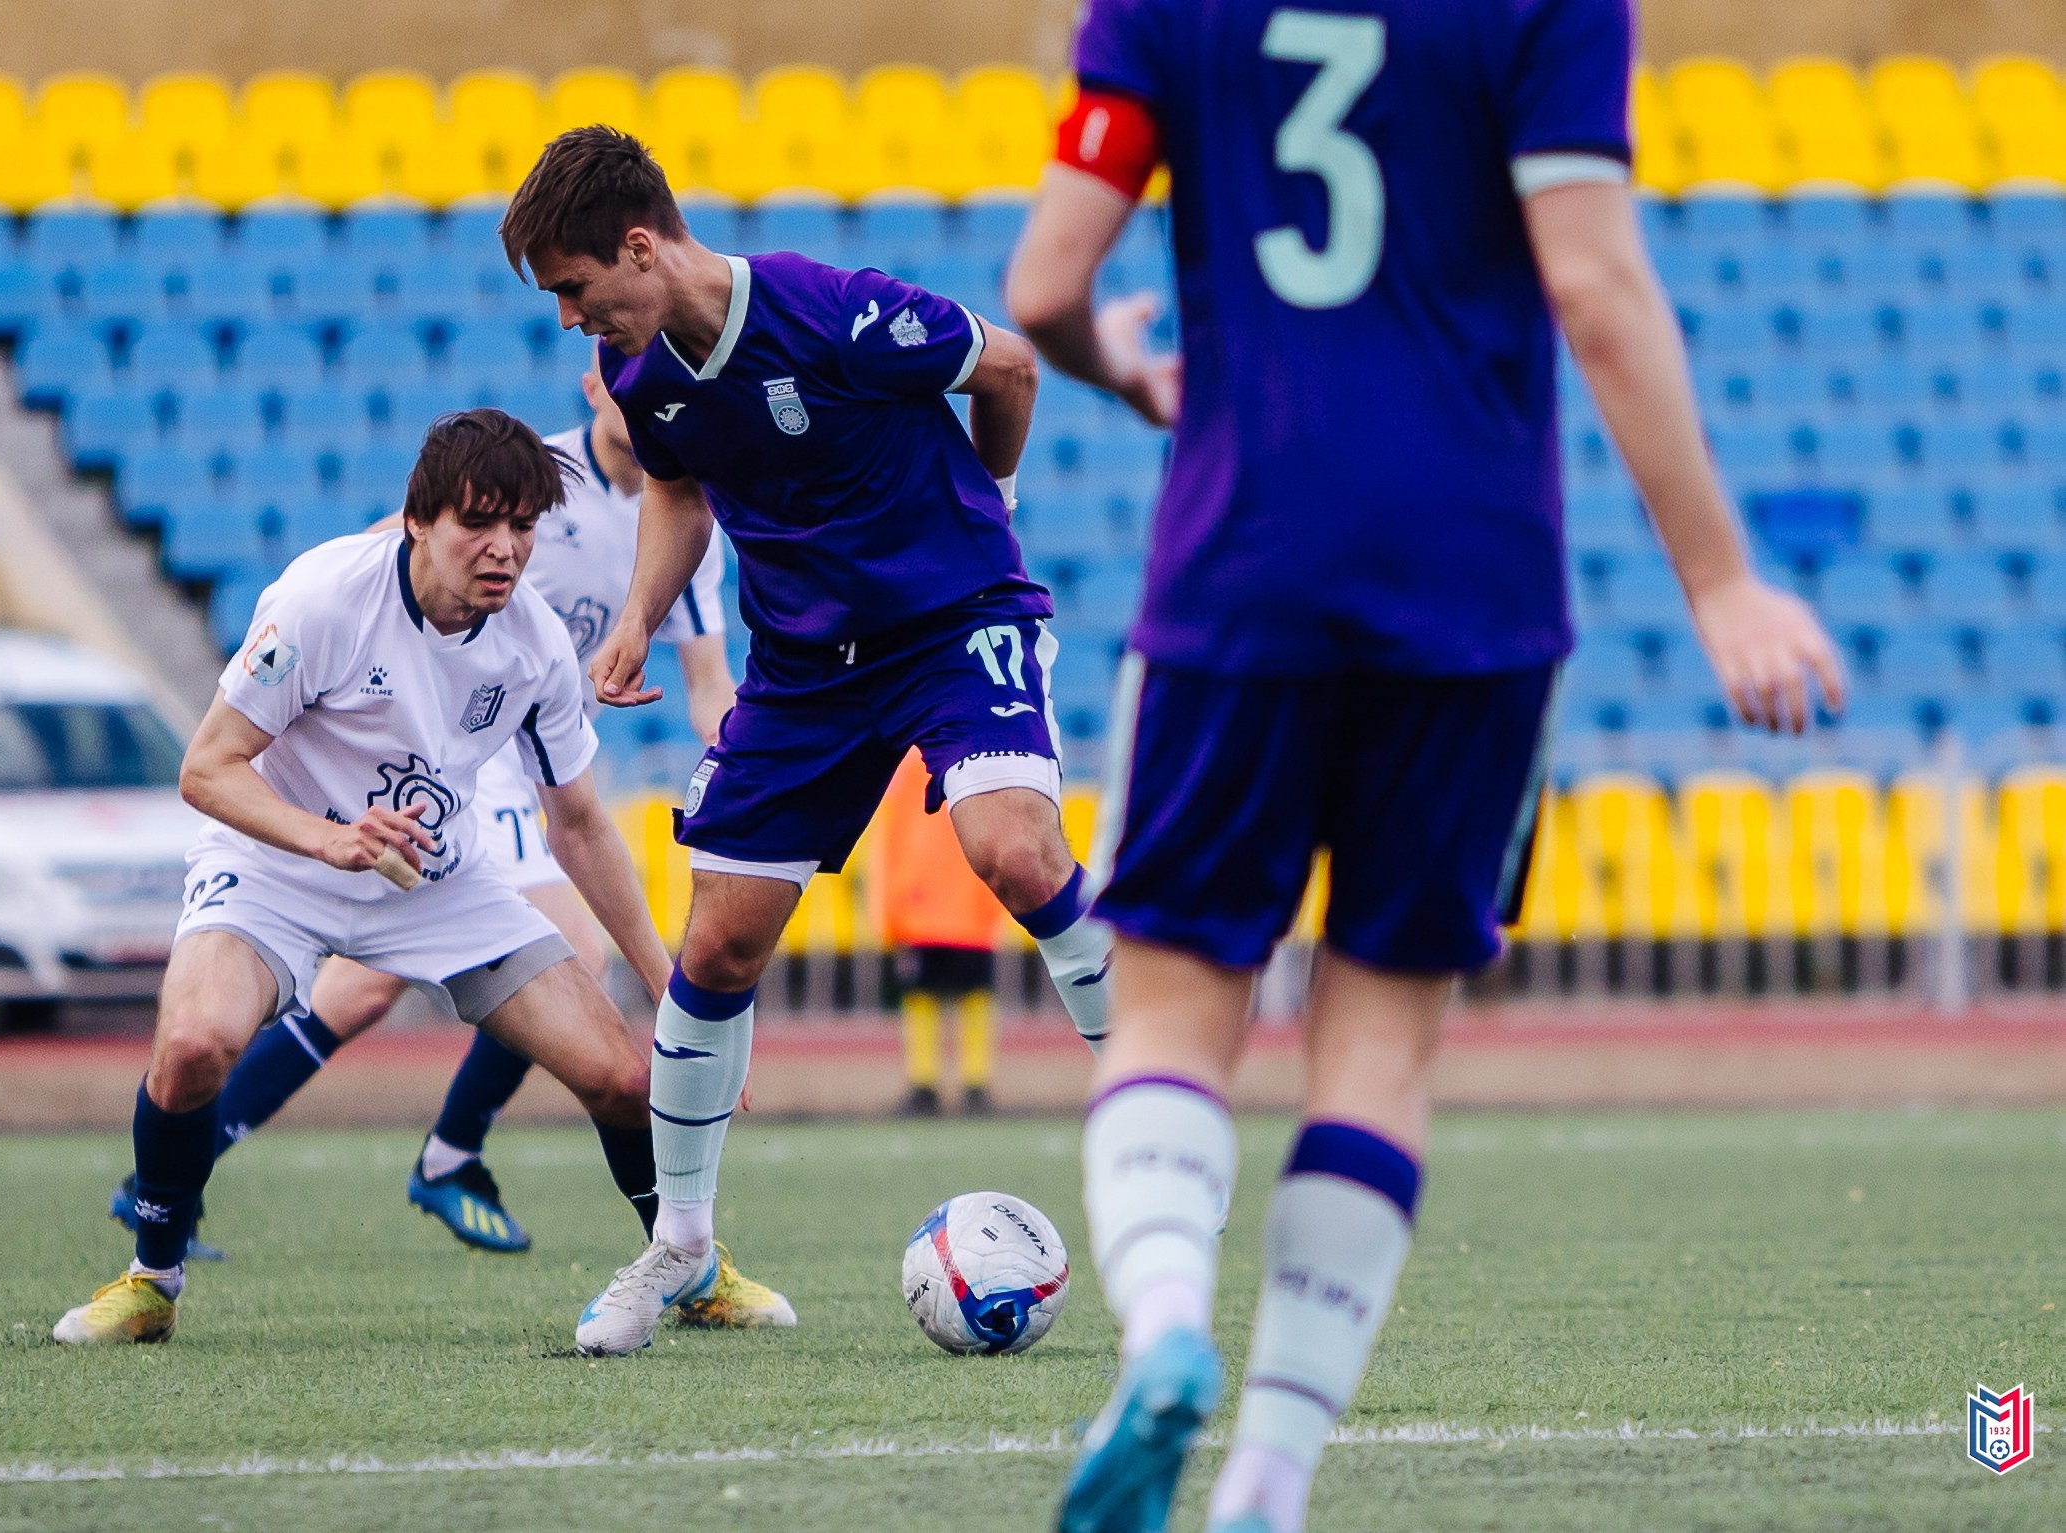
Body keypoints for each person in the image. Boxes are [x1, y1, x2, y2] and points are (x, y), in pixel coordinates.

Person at [1003, 2, 1847, 1529]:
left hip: (1239, 569)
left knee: (1177, 1008)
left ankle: (1165, 1329)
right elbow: (1591, 285)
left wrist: (1126, 376)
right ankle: (1266, 1476)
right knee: (1379, 1043)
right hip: (1474, 590)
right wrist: (1719, 579)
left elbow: (1046, 281)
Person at [498, 125, 1116, 1357]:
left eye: (575, 288)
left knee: (1013, 852)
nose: (571, 320)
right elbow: (678, 491)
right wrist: (634, 622)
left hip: (952, 626)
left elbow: (1008, 370)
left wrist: (982, 507)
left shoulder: (834, 313)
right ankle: (679, 1244)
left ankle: (1163, 1123)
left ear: (638, 246)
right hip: (801, 671)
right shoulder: (641, 380)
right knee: (715, 941)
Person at [53, 409, 782, 1345]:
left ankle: (694, 1271)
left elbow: (581, 826)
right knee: (192, 1045)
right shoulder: (321, 598)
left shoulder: (534, 644)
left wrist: (669, 986)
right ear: (416, 521)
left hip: (437, 877)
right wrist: (327, 841)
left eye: (521, 526)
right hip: (277, 863)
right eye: (479, 522)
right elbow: (207, 768)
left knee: (621, 1075)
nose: (504, 549)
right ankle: (152, 1279)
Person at [870, 749, 1004, 1116]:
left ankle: (929, 1085)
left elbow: (892, 837)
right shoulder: (977, 751)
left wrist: (890, 907)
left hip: (932, 901)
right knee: (959, 993)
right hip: (950, 900)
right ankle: (966, 1085)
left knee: (930, 994)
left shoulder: (909, 759)